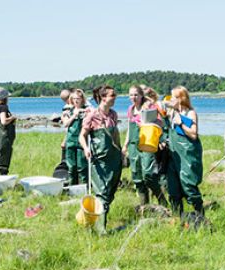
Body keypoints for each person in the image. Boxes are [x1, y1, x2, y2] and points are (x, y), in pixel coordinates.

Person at [79, 85, 122, 235]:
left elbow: (115, 136)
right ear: (103, 98)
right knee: (102, 192)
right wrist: (85, 148)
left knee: (110, 192)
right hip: (99, 160)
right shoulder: (92, 115)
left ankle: (94, 220)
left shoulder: (114, 115)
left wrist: (121, 152)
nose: (115, 97)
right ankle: (101, 229)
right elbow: (82, 136)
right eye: (112, 95)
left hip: (114, 158)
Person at [121, 85, 167, 206]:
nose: (133, 97)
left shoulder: (149, 107)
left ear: (141, 95)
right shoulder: (130, 109)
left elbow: (161, 123)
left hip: (147, 144)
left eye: (136, 94)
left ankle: (162, 201)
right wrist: (125, 146)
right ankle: (144, 206)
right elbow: (130, 130)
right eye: (131, 95)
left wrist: (149, 123)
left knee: (148, 174)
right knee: (137, 176)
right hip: (133, 145)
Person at [165, 86, 204, 217]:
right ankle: (177, 218)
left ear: (181, 98)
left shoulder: (190, 113)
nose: (171, 100)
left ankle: (200, 214)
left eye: (173, 97)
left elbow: (194, 134)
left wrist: (181, 123)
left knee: (189, 185)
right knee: (173, 188)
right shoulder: (171, 112)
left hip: (188, 154)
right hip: (173, 155)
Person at [62, 89, 88, 185]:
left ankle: (83, 188)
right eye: (74, 98)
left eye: (78, 98)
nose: (76, 100)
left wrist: (86, 113)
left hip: (82, 141)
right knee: (71, 167)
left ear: (82, 99)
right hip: (71, 140)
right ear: (71, 99)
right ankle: (72, 188)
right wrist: (74, 115)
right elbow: (65, 124)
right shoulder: (68, 111)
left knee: (82, 167)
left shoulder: (87, 110)